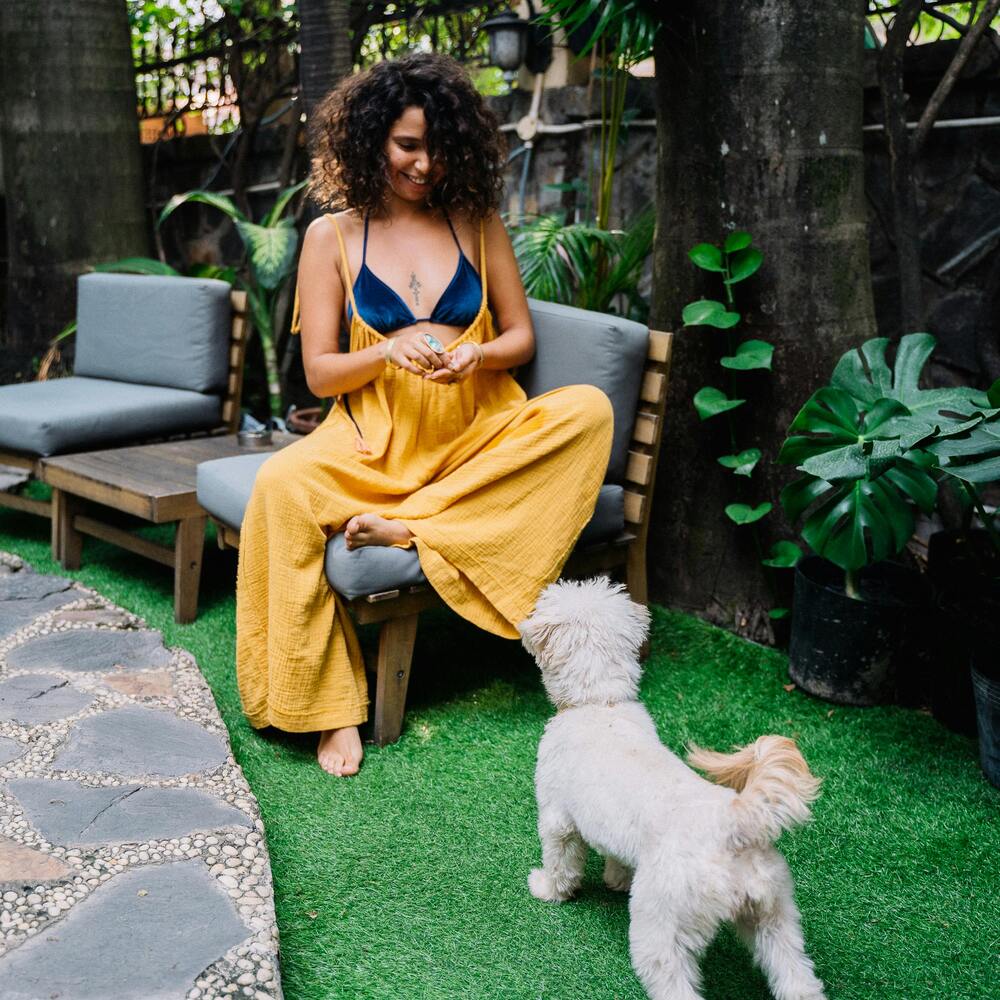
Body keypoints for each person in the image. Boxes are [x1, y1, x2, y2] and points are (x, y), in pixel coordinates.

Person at [236, 52, 613, 777]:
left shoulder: (474, 219)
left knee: (587, 410)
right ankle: (329, 708)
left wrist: (481, 356)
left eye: (438, 147)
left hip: (476, 432)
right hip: (372, 441)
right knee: (279, 492)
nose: (424, 163)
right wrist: (388, 352)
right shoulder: (332, 238)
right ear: (374, 137)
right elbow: (319, 373)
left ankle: (413, 525)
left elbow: (519, 336)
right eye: (409, 144)